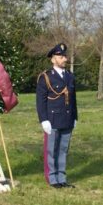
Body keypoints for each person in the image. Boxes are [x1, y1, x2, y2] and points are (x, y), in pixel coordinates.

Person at [36, 43, 77, 188]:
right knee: (51, 150)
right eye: (61, 56)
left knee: (63, 150)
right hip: (52, 119)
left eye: (64, 56)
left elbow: (73, 99)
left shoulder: (70, 76)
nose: (64, 59)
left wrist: (75, 117)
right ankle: (52, 179)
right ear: (53, 59)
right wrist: (43, 120)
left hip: (67, 118)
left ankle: (62, 177)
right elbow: (40, 101)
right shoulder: (46, 77)